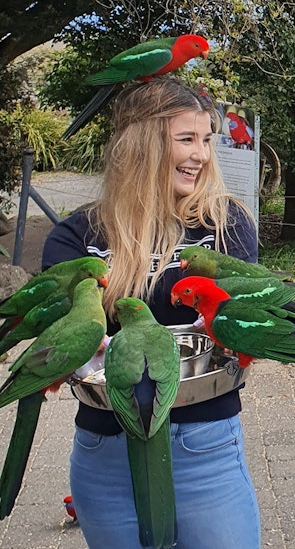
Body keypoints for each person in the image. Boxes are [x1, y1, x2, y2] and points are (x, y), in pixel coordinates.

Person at [42, 77, 261, 548]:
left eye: (206, 140)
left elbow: (241, 325)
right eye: (185, 139)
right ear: (141, 147)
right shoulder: (74, 239)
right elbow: (60, 339)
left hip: (203, 444)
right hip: (106, 452)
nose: (201, 155)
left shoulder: (226, 227)